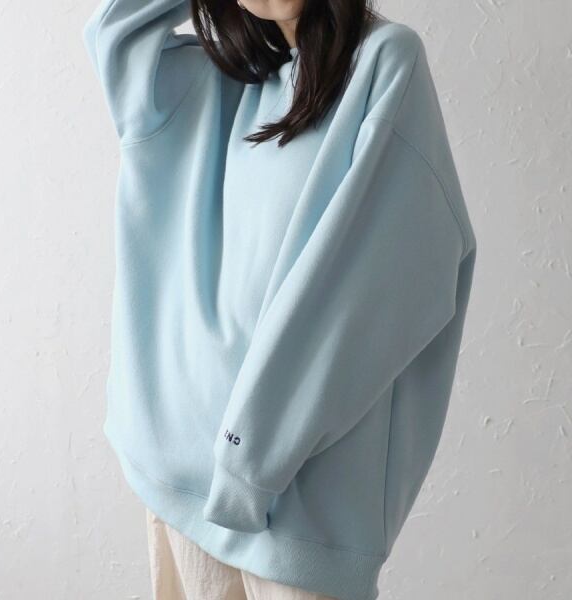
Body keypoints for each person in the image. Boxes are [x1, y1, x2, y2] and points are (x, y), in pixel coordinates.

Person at [81, 0, 477, 599]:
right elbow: (114, 33)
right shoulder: (209, 80)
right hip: (175, 482)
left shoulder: (383, 61)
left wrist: (249, 466)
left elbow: (374, 285)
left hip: (293, 512)